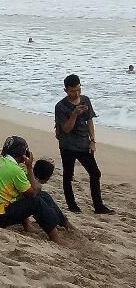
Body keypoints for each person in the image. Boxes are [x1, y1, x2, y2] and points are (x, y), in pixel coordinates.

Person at [0, 136, 71, 243]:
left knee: (39, 195)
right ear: (23, 154)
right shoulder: (15, 170)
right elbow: (33, 193)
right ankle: (55, 237)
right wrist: (29, 167)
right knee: (36, 202)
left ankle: (32, 226)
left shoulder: (0, 161)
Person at [55, 74, 113, 214]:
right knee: (68, 175)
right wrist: (74, 114)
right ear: (66, 90)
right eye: (72, 90)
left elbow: (90, 121)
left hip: (83, 144)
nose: (76, 93)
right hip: (67, 145)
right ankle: (72, 205)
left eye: (78, 89)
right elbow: (66, 129)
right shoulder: (61, 106)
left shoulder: (85, 100)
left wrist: (93, 141)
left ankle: (98, 206)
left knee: (95, 173)